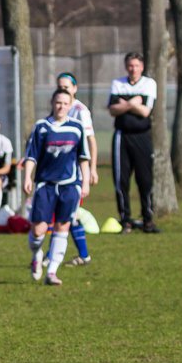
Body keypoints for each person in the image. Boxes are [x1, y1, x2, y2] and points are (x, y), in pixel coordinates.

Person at [23, 89, 91, 286]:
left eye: (65, 103)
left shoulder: (77, 128)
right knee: (38, 231)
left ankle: (51, 272)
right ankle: (37, 255)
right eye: (58, 103)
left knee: (63, 226)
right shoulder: (42, 127)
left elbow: (83, 158)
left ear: (70, 106)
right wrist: (28, 176)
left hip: (70, 185)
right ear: (52, 103)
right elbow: (31, 155)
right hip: (45, 184)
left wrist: (85, 182)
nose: (61, 106)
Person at [108, 51, 160, 234]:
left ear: (142, 67)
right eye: (130, 65)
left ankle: (148, 219)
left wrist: (125, 104)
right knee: (121, 180)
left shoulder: (149, 84)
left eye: (137, 66)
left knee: (145, 180)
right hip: (122, 136)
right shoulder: (117, 83)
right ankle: (125, 220)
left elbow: (146, 112)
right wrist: (134, 103)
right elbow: (113, 110)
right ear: (126, 67)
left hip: (142, 136)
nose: (133, 69)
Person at [57, 72, 99, 263]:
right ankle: (81, 255)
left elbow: (91, 141)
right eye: (60, 87)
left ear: (74, 88)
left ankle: (77, 255)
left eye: (66, 87)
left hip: (76, 172)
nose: (63, 90)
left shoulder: (80, 111)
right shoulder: (59, 110)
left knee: (68, 214)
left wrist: (93, 169)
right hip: (61, 171)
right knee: (63, 214)